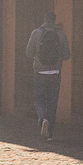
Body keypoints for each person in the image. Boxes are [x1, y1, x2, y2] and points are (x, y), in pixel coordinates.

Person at [24, 10, 70, 139]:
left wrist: (37, 57)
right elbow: (67, 55)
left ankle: (42, 119)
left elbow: (28, 53)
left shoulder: (36, 33)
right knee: (52, 102)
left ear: (44, 19)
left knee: (39, 99)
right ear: (54, 20)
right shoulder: (61, 34)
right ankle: (50, 134)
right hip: (55, 72)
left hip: (39, 72)